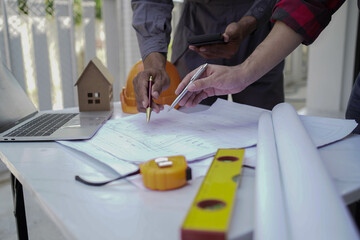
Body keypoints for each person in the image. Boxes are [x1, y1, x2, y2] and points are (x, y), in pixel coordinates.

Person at [176, 0, 360, 133]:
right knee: (194, 124)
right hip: (196, 25)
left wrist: (250, 23)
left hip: (262, 27)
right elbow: (304, 4)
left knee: (266, 129)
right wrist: (243, 73)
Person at [131, 0, 284, 114]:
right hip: (196, 28)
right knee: (190, 122)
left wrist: (251, 21)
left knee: (262, 125)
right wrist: (154, 64)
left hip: (261, 34)